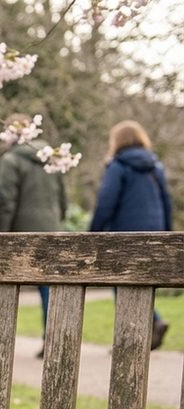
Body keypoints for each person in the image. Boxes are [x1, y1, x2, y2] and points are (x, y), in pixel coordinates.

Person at [90, 120, 173, 350]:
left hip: (125, 234)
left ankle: (131, 338)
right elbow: (166, 201)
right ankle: (150, 325)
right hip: (154, 232)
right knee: (141, 282)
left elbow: (106, 203)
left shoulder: (117, 166)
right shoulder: (155, 166)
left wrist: (93, 233)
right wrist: (168, 234)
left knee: (120, 284)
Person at [0, 115, 67, 358]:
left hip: (20, 232)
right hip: (51, 227)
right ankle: (52, 340)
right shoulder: (51, 157)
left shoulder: (11, 160)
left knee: (6, 286)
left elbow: (6, 202)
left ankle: (0, 343)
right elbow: (63, 198)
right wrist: (57, 220)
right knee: (48, 288)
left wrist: (0, 236)